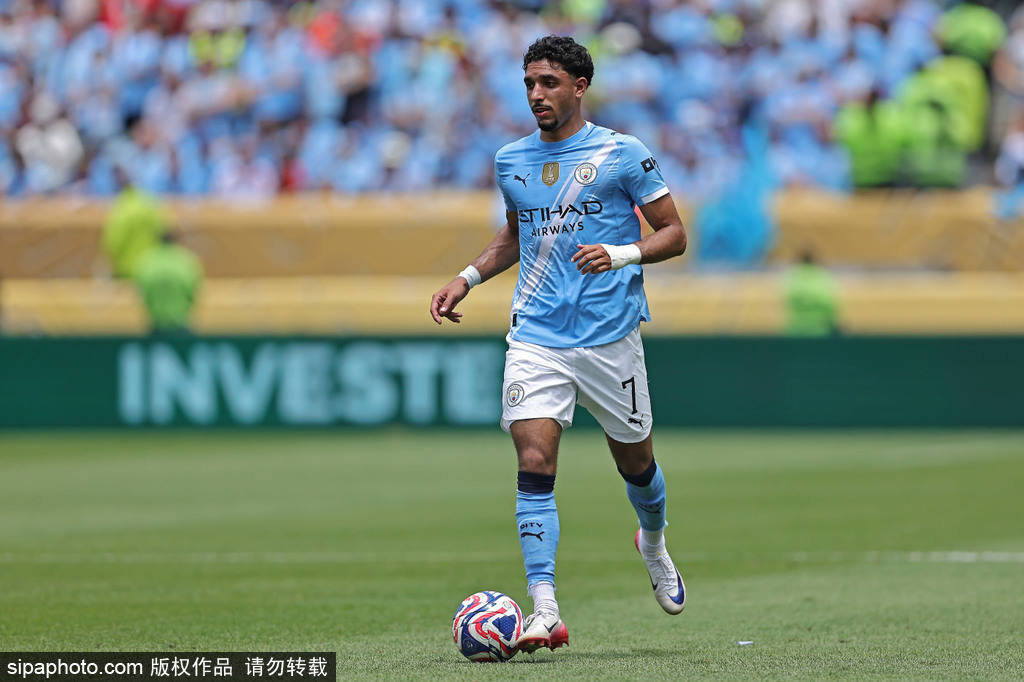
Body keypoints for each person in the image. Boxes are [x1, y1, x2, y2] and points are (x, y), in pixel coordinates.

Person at [429, 36, 688, 654]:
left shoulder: (622, 153)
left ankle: (652, 542)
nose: (536, 95)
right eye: (529, 84)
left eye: (548, 82)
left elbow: (675, 233)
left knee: (638, 467)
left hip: (609, 338)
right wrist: (466, 278)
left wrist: (621, 253)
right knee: (535, 462)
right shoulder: (511, 160)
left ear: (579, 86)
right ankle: (544, 608)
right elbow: (516, 234)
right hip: (536, 336)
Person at [133, 232, 203, 333]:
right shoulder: (186, 260)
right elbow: (193, 290)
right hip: (181, 321)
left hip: (155, 322)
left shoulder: (146, 261)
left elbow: (141, 290)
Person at [784, 249, 840, 336]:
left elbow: (786, 303)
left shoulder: (791, 278)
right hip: (821, 332)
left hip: (796, 331)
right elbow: (831, 306)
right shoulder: (823, 277)